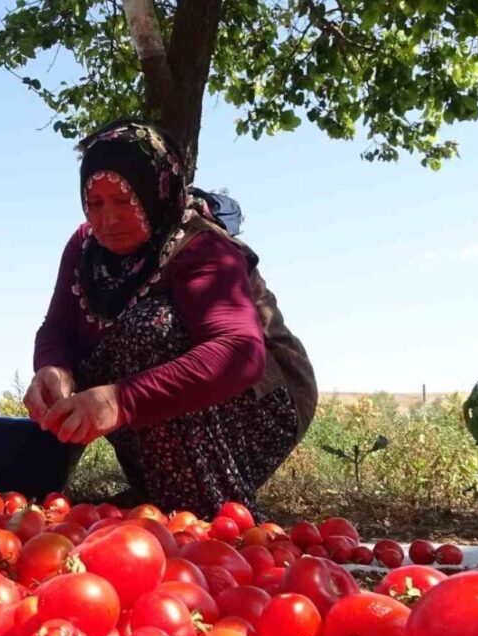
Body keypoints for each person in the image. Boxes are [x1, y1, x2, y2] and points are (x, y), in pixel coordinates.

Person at [24, 118, 318, 519]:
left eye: (124, 201)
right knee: (112, 342)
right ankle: (163, 499)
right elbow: (57, 327)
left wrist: (120, 399)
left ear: (155, 192)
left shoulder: (204, 248)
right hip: (168, 412)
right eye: (95, 203)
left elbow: (239, 353)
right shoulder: (84, 248)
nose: (107, 219)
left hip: (262, 406)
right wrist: (53, 369)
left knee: (151, 326)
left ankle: (210, 511)